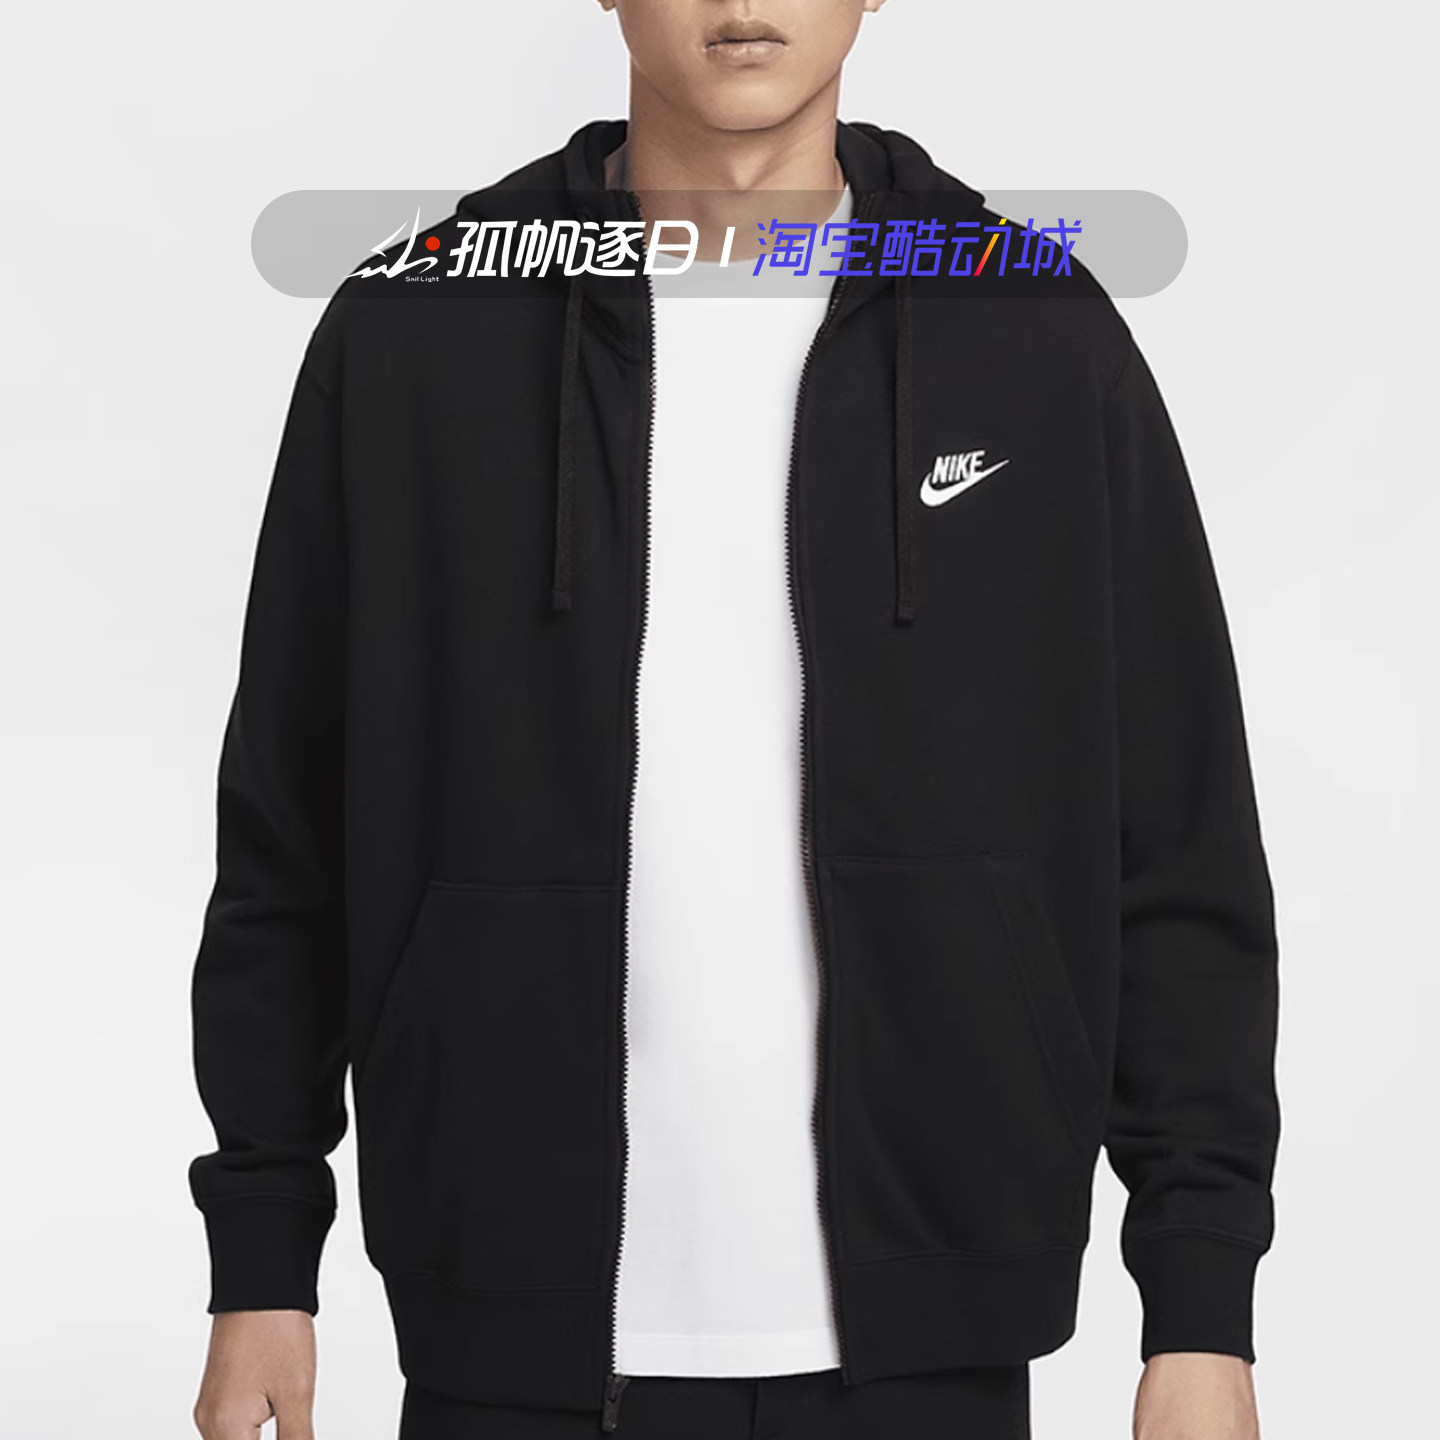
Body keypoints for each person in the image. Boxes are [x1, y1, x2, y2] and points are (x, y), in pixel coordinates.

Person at [189, 2, 1280, 1438]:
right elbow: (290, 829)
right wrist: (262, 1257)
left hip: (931, 1341)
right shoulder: (416, 331)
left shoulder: (1031, 331)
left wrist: (1199, 1300)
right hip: (506, 1324)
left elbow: (1180, 835)